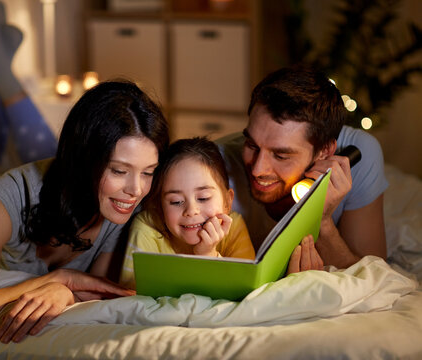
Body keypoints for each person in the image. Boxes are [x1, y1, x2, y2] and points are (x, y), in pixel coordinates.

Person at [0, 0, 170, 343]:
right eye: (120, 171)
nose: (136, 190)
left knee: (41, 153)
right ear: (86, 160)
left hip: (56, 180)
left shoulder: (123, 206)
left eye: (148, 171)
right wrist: (62, 280)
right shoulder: (2, 198)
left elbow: (100, 290)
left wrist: (69, 292)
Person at [216, 65, 388, 269]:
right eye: (252, 145)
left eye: (281, 155)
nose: (257, 170)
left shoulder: (358, 153)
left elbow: (374, 275)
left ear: (325, 151)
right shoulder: (214, 165)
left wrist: (321, 222)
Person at [119, 137, 323, 288]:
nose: (191, 211)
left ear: (228, 201)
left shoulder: (233, 227)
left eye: (203, 198)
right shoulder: (147, 227)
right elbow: (132, 297)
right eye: (176, 201)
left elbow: (248, 292)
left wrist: (207, 255)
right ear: (160, 205)